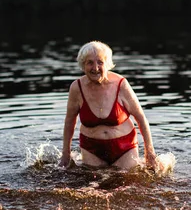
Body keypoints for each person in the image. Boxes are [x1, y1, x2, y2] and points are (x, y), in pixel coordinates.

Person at [59, 41, 159, 170]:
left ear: (107, 64)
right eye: (90, 63)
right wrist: (65, 153)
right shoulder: (76, 88)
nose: (95, 68)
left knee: (128, 183)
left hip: (124, 147)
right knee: (93, 185)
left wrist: (149, 152)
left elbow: (141, 118)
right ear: (83, 65)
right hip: (91, 148)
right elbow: (69, 121)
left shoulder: (121, 84)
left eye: (100, 62)